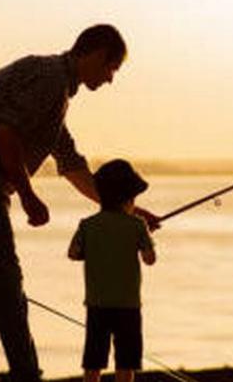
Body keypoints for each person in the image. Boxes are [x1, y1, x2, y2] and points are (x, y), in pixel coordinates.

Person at [0, 24, 158, 382]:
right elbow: (6, 134)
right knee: (4, 281)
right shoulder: (50, 79)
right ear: (95, 54)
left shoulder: (55, 92)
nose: (110, 79)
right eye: (111, 68)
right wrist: (28, 195)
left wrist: (127, 209)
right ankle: (26, 374)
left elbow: (71, 163)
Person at [68, 159, 156, 382]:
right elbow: (149, 259)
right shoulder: (138, 225)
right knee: (126, 362)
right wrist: (146, 237)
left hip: (97, 304)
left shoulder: (87, 224)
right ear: (129, 197)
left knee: (93, 360)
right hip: (128, 306)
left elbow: (73, 253)